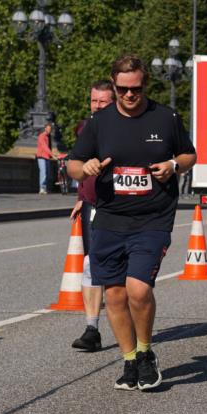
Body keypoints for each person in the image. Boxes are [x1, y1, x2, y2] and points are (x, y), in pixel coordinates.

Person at [67, 54, 197, 391]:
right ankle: (129, 361)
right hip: (110, 218)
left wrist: (173, 166)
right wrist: (86, 168)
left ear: (145, 84)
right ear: (114, 85)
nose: (129, 95)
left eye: (136, 89)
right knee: (114, 295)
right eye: (123, 89)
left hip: (153, 217)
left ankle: (145, 352)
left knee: (138, 289)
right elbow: (73, 164)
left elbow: (189, 154)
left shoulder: (165, 117)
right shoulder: (99, 122)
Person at [70, 79, 115, 352]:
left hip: (121, 206)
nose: (97, 106)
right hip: (92, 203)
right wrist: (81, 197)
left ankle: (131, 326)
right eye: (93, 100)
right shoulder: (85, 128)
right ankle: (92, 329)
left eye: (103, 101)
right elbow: (79, 164)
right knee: (90, 263)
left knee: (121, 271)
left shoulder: (124, 128)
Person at [37, 123, 55, 195]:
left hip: (47, 157)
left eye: (50, 129)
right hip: (41, 156)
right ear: (45, 128)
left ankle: (45, 188)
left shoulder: (48, 137)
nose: (49, 130)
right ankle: (42, 188)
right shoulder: (42, 136)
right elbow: (45, 147)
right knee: (43, 172)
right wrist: (52, 155)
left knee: (47, 173)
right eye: (48, 129)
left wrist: (51, 155)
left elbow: (49, 147)